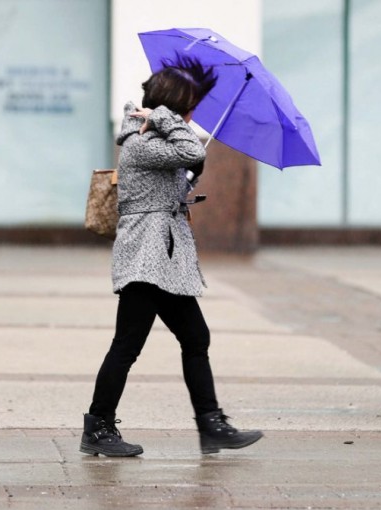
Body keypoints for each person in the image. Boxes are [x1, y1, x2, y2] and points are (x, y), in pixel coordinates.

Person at [80, 56, 263, 457]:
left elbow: (186, 160)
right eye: (190, 105)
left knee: (194, 337)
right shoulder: (142, 144)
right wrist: (166, 118)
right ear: (175, 106)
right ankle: (98, 427)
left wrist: (184, 179)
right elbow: (188, 148)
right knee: (128, 344)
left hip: (162, 257)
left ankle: (210, 424)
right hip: (147, 257)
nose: (194, 112)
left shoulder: (154, 141)